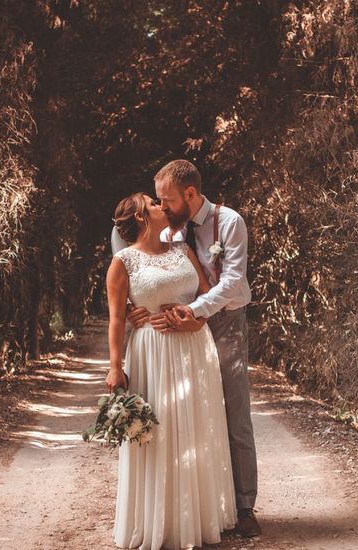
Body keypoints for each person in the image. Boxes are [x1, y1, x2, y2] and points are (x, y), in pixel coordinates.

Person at [137, 159, 261, 537]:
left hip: (225, 324)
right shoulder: (170, 231)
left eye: (167, 199)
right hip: (184, 329)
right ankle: (202, 511)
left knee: (234, 414)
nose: (162, 207)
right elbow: (144, 263)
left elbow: (231, 282)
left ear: (190, 194)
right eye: (158, 200)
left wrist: (194, 311)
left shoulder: (229, 222)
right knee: (193, 418)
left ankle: (244, 508)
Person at [106, 193, 236, 550]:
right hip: (152, 351)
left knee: (196, 428)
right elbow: (117, 319)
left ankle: (195, 518)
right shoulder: (123, 262)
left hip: (194, 349)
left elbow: (208, 293)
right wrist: (115, 368)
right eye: (152, 203)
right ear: (139, 216)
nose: (163, 206)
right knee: (159, 433)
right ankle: (158, 522)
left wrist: (196, 321)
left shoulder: (183, 251)